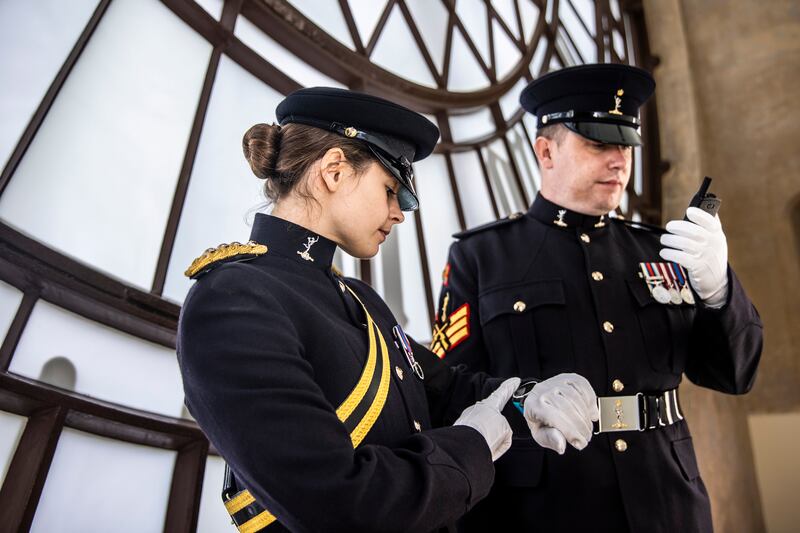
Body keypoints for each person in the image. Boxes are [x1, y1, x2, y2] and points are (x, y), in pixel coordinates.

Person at [176, 87, 598, 533]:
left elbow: (444, 388)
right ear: (335, 170)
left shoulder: (359, 298)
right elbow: (336, 502)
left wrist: (525, 399)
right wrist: (470, 445)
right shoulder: (231, 300)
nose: (399, 213)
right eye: (391, 190)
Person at [429, 64, 763, 533]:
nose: (620, 160)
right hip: (544, 507)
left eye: (626, 145)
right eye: (599, 143)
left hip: (667, 499)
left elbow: (735, 374)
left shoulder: (660, 251)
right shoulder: (482, 256)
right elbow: (452, 390)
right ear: (545, 150)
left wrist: (719, 291)